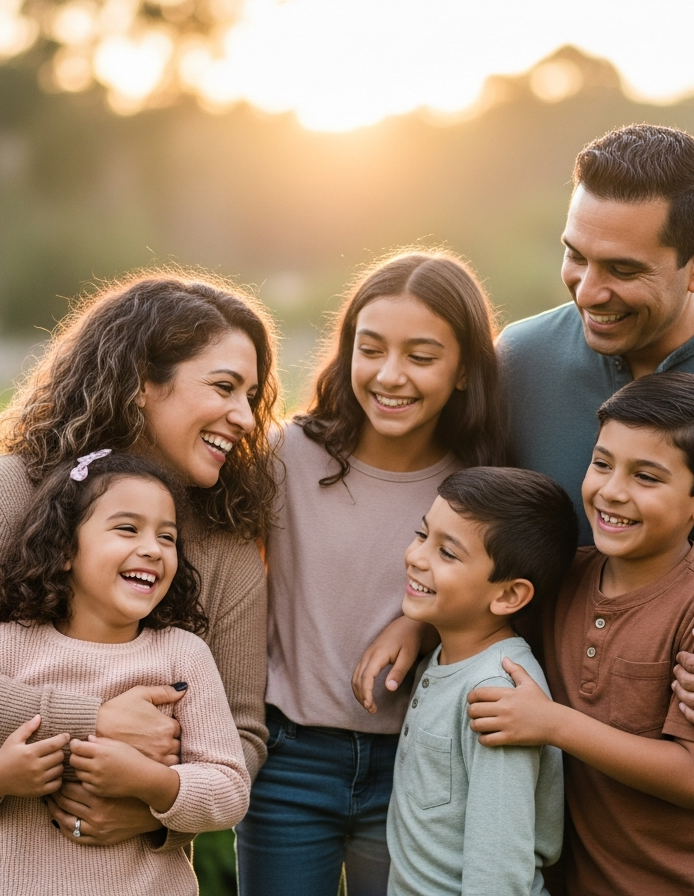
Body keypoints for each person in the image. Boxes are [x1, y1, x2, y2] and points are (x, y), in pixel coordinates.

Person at [357, 124, 694, 894]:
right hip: (564, 783)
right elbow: (475, 526)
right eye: (576, 255)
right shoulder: (522, 362)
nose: (587, 289)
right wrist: (420, 617)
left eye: (623, 269)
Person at [0, 272, 280, 896]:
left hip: (126, 872)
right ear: (143, 383)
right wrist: (94, 723)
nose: (245, 417)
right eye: (223, 387)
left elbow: (241, 734)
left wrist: (152, 811)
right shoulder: (10, 489)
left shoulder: (228, 553)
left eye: (251, 395)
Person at [235, 250, 509, 896]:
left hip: (417, 763)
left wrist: (419, 627)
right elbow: (158, 504)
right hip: (288, 761)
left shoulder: (479, 487)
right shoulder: (286, 455)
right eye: (371, 348)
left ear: (465, 369)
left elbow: (511, 605)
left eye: (421, 355)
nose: (390, 376)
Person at [468, 372, 694, 894]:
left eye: (646, 477)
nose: (611, 491)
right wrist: (412, 629)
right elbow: (480, 604)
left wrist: (553, 724)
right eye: (602, 464)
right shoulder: (567, 575)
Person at [0, 452, 250, 895]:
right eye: (127, 528)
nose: (153, 549)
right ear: (63, 550)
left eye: (167, 537)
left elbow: (230, 788)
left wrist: (150, 783)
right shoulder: (6, 646)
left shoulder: (183, 656)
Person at [387, 467, 573, 896]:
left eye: (447, 554)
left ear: (509, 595)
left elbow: (499, 867)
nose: (416, 556)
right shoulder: (444, 654)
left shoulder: (498, 691)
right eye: (422, 534)